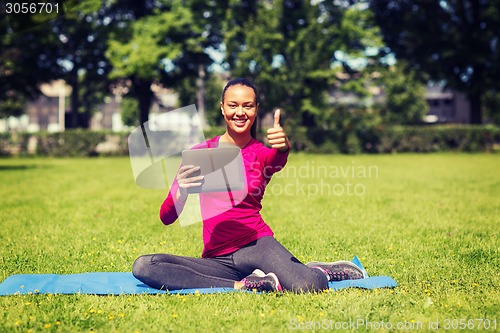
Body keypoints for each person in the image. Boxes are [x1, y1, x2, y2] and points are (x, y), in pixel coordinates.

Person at [132, 78, 365, 293]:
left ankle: (319, 270)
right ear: (222, 108)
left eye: (248, 106)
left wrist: (283, 146)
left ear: (255, 110)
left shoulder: (261, 155)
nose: (240, 112)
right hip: (217, 259)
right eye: (233, 105)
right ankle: (244, 285)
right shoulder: (199, 155)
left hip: (257, 246)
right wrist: (180, 193)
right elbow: (166, 217)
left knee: (307, 285)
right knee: (145, 266)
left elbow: (278, 158)